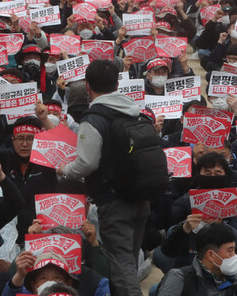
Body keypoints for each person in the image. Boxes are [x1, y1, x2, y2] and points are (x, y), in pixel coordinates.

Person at [58, 60, 155, 296]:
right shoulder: (135, 112)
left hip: (114, 202)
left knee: (121, 267)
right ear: (117, 83)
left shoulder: (94, 118)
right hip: (140, 198)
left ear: (88, 86)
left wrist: (64, 171)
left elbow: (87, 162)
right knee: (129, 262)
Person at [157, 223, 237, 296]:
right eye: (230, 250)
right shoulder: (180, 279)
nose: (234, 255)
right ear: (211, 255)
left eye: (234, 250)